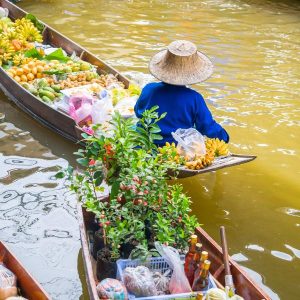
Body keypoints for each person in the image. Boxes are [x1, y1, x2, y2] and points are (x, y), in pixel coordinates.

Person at [134, 40, 229, 147]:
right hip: (174, 148)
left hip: (144, 143)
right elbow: (207, 127)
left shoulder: (149, 89)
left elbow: (138, 111)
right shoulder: (194, 98)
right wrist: (224, 137)